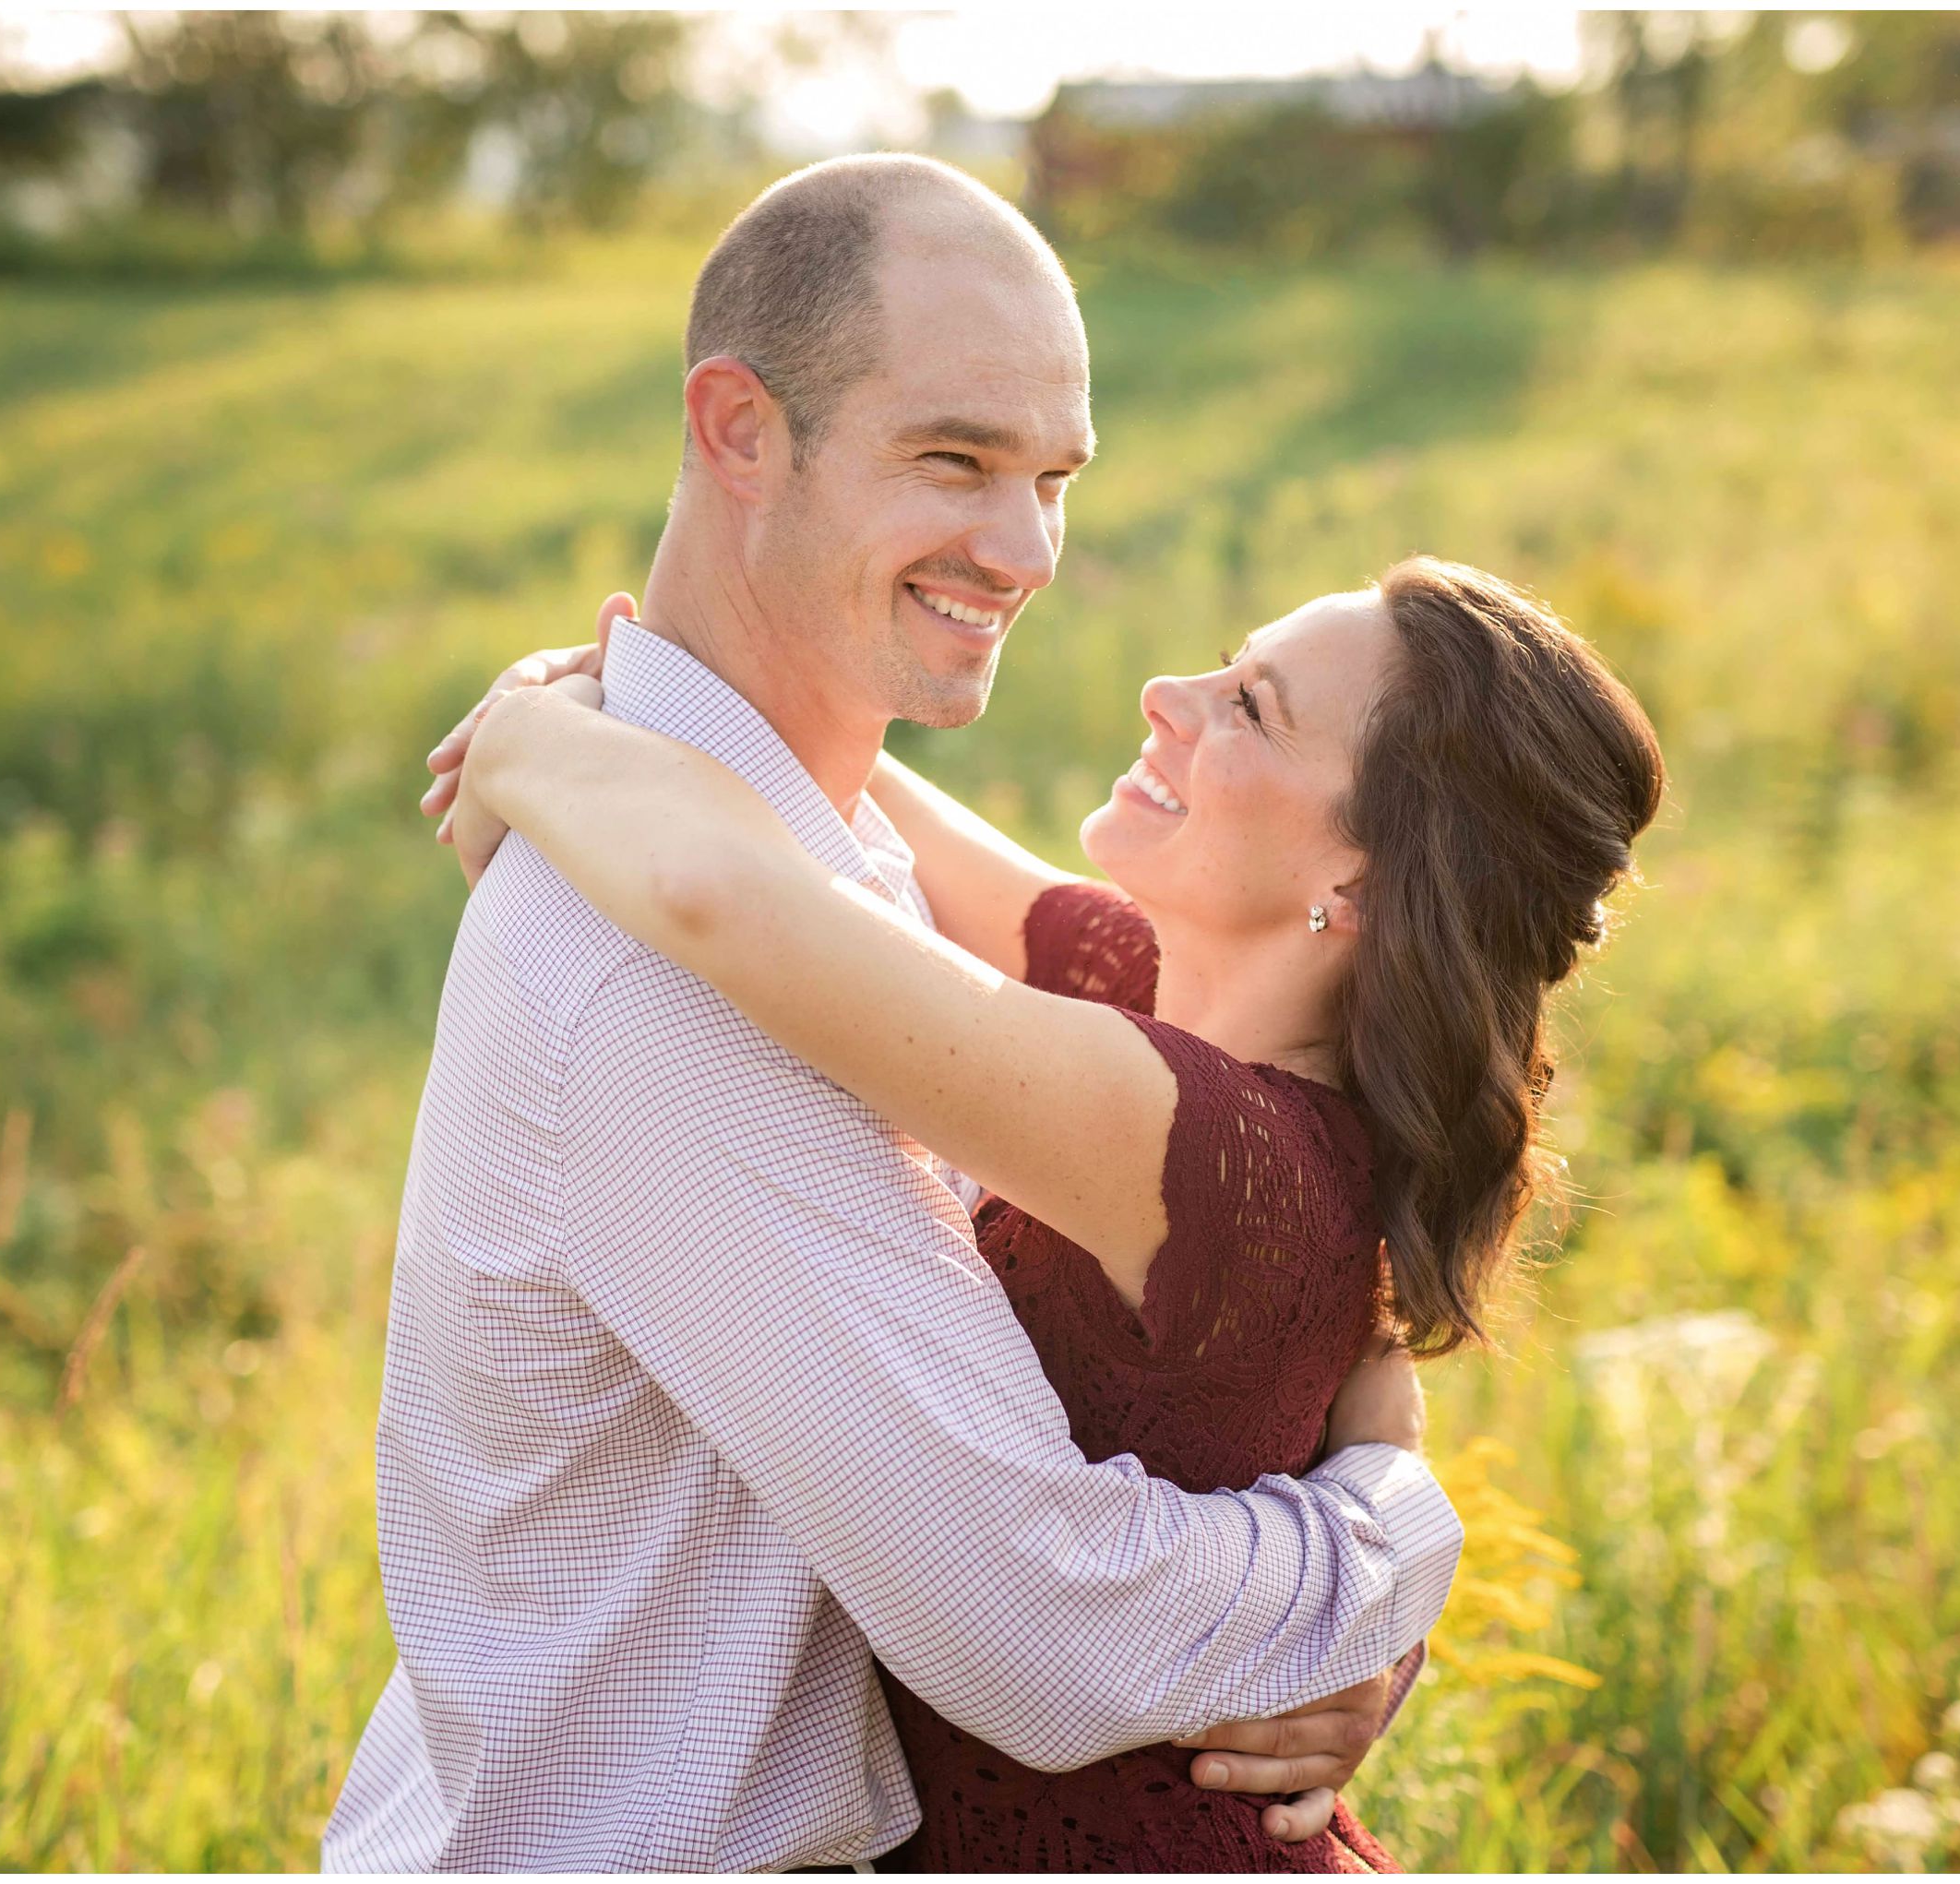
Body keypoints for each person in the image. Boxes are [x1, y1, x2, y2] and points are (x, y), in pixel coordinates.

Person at [325, 155, 1468, 1875]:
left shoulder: (832, 866)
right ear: (738, 432)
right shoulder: (684, 975)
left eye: (1053, 477)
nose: (1022, 549)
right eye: (952, 460)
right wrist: (1374, 1556)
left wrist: (1377, 1476)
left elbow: (1290, 1189)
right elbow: (1045, 1631)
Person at [436, 553, 1665, 1868]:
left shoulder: (1189, 1136)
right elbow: (836, 787)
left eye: (1249, 706)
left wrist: (521, 735)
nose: (1166, 692)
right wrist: (628, 684)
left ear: (1358, 885)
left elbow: (721, 895)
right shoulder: (1164, 1001)